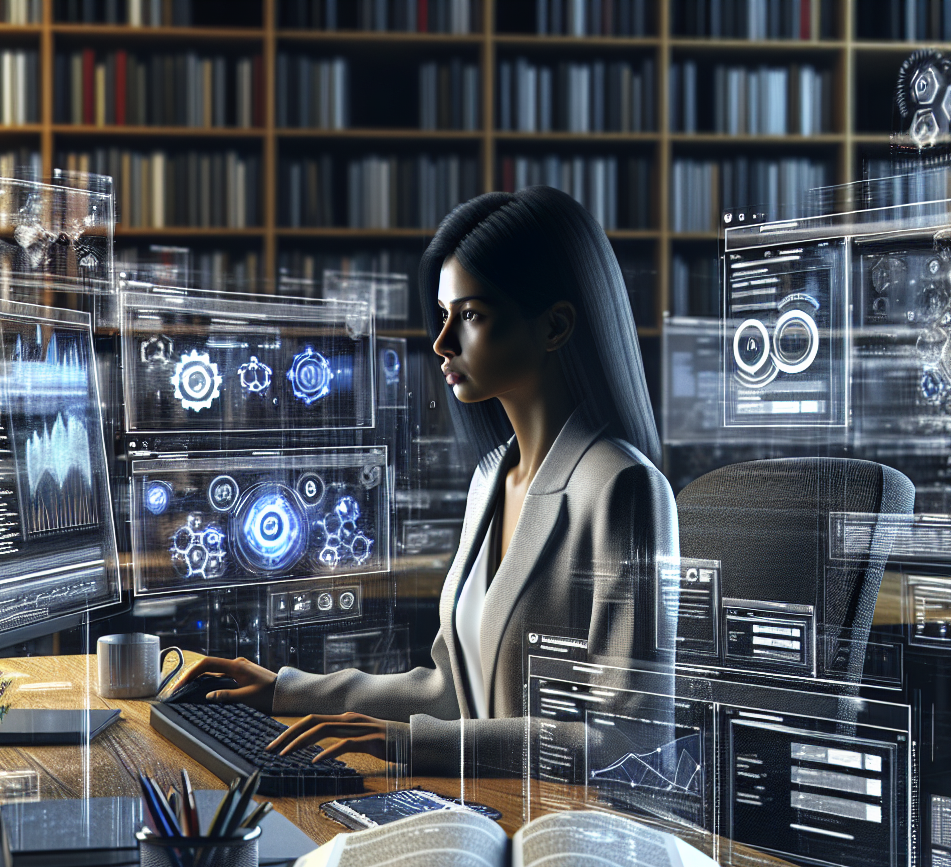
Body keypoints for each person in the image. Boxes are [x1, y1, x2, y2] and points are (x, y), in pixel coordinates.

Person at [173, 185, 678, 777]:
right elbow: (449, 691)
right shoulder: (492, 477)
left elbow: (629, 739)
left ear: (556, 325)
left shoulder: (625, 489)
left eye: (469, 316)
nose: (441, 343)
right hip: (485, 809)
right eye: (443, 316)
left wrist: (414, 744)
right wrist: (289, 691)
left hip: (567, 836)